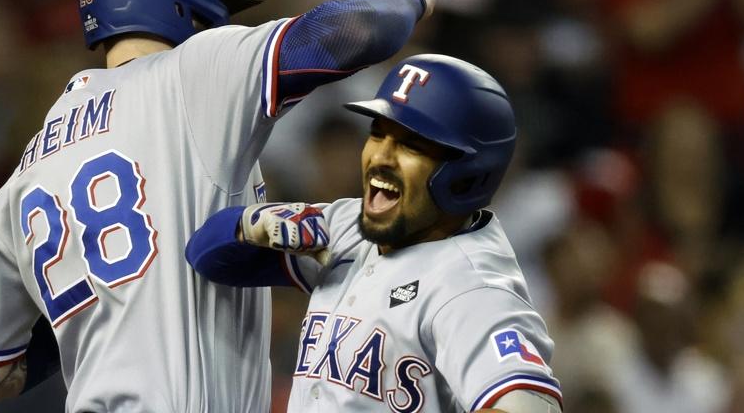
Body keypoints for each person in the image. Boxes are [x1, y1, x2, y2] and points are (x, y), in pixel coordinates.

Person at [0, 0, 435, 412]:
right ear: (179, 5)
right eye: (212, 9)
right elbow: (356, 29)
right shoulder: (192, 73)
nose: (217, 23)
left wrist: (90, 310)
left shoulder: (26, 169)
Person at [186, 54, 563, 412]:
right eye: (378, 133)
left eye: (410, 144)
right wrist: (250, 226)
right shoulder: (351, 225)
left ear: (468, 174)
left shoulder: (471, 288)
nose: (380, 156)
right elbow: (207, 256)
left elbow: (526, 404)